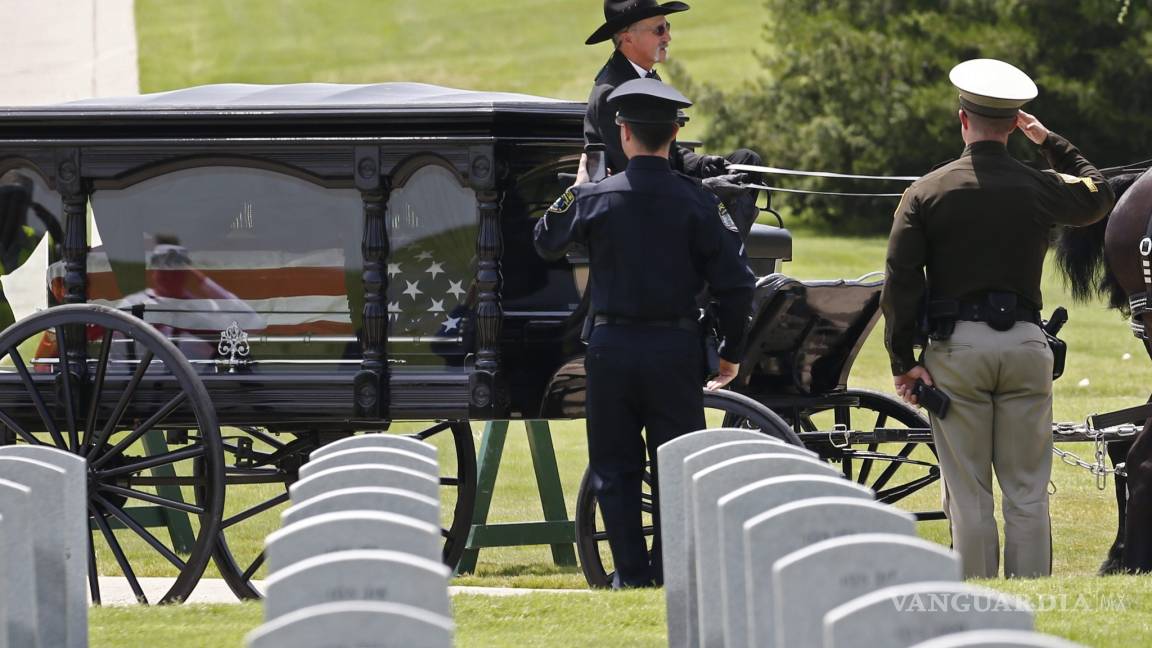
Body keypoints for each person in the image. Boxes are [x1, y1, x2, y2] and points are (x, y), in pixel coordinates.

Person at [881, 59, 1115, 579]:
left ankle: (978, 605)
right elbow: (1100, 194)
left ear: (962, 120)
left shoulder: (926, 191)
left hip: (956, 350)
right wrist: (1050, 140)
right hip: (1027, 347)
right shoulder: (1038, 184)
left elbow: (900, 278)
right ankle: (1031, 601)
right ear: (1014, 125)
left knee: (967, 494)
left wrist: (902, 360)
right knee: (1028, 491)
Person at [534, 78, 754, 588]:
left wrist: (578, 187)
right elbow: (738, 285)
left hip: (611, 349)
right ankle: (669, 572)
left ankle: (630, 576)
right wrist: (730, 350)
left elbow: (545, 239)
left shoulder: (595, 199)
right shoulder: (699, 202)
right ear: (674, 134)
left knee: (614, 468)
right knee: (677, 468)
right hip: (675, 348)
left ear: (625, 134)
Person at [579, 1, 764, 235]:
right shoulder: (612, 92)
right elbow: (639, 176)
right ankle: (718, 257)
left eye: (667, 27)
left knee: (746, 163)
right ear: (627, 38)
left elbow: (668, 152)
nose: (668, 37)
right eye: (659, 30)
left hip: (663, 188)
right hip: (638, 210)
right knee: (723, 193)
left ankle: (724, 250)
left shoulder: (645, 79)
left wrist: (704, 164)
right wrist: (704, 187)